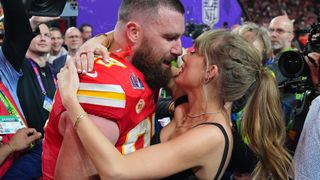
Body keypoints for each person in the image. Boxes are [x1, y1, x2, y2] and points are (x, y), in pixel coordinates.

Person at [58, 29, 293, 179]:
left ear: (210, 72)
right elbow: (147, 53)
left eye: (195, 51)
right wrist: (98, 41)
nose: (184, 53)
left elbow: (116, 171)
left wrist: (72, 103)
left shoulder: (211, 135)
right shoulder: (186, 96)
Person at [42, 0, 185, 179]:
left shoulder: (145, 65)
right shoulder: (106, 82)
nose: (179, 49)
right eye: (170, 37)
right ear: (133, 32)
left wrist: (102, 37)